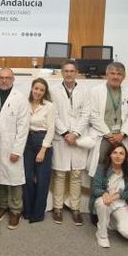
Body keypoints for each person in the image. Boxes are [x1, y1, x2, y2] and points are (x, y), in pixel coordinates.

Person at [50, 60, 93, 225]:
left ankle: (75, 208)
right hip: (61, 138)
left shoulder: (84, 91)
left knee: (76, 175)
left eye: (72, 71)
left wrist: (75, 133)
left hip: (78, 137)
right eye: (66, 71)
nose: (69, 74)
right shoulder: (53, 91)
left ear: (77, 73)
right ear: (62, 73)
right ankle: (57, 207)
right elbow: (53, 114)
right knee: (60, 175)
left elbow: (86, 114)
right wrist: (66, 133)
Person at [0, 68, 30, 230]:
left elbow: (23, 127)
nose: (4, 80)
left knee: (14, 180)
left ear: (13, 79)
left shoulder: (20, 98)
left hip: (13, 145)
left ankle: (15, 210)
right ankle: (2, 205)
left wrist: (17, 150)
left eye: (7, 78)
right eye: (1, 77)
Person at [87, 62, 128, 179]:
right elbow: (93, 115)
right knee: (99, 168)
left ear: (124, 77)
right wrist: (109, 134)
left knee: (122, 168)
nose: (115, 77)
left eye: (119, 74)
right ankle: (97, 195)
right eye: (112, 73)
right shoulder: (95, 91)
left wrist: (122, 133)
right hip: (104, 136)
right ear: (106, 75)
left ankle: (117, 195)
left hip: (121, 136)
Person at [90, 142, 128, 248]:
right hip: (104, 200)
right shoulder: (101, 168)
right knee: (103, 204)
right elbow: (95, 189)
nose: (118, 156)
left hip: (120, 203)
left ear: (125, 156)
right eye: (114, 152)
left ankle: (111, 221)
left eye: (121, 153)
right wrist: (105, 194)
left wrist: (116, 196)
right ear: (110, 155)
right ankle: (102, 235)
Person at [22, 78, 54, 223]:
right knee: (27, 178)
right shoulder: (25, 104)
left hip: (42, 142)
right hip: (27, 142)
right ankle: (28, 211)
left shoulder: (49, 106)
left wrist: (43, 150)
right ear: (31, 88)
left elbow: (51, 129)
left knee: (42, 180)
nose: (38, 92)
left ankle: (38, 214)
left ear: (45, 92)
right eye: (36, 88)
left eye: (41, 90)